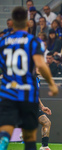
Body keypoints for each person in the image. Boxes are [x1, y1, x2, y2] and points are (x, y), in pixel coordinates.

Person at [0, 6, 58, 150]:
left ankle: (4, 140)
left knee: (6, 127)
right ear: (28, 24)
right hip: (27, 93)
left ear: (11, 23)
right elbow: (40, 64)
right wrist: (52, 84)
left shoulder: (3, 42)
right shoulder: (32, 41)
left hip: (8, 92)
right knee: (29, 137)